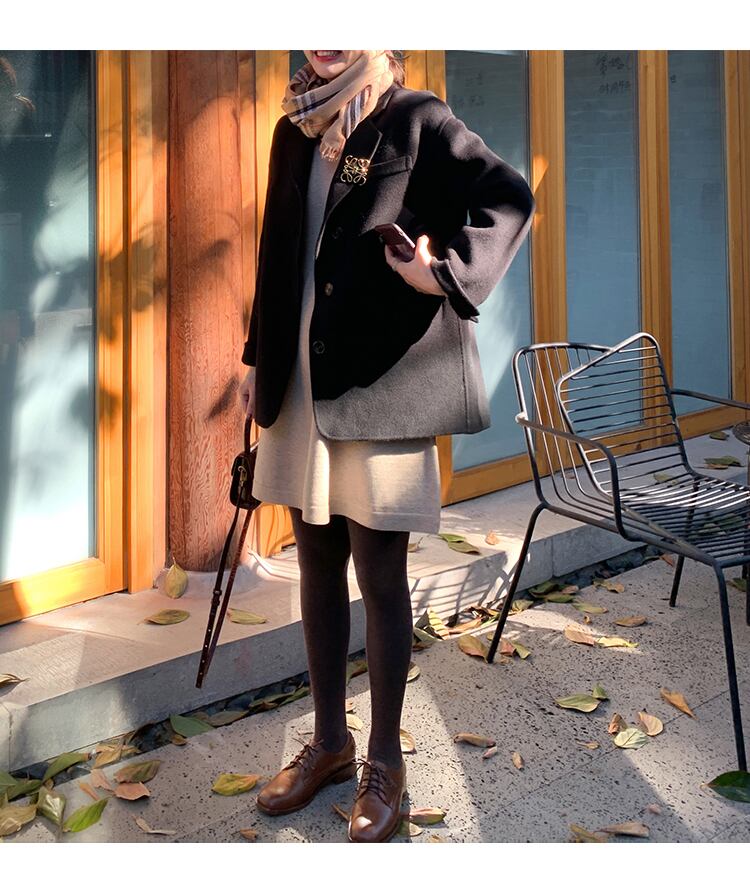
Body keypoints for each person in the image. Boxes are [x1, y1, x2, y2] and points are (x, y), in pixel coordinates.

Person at [239, 49, 535, 843]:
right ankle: (329, 743)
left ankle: (384, 764)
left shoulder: (415, 118)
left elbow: (507, 195)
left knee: (379, 574)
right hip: (301, 384)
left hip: (382, 384)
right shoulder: (293, 131)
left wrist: (444, 272)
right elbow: (276, 252)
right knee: (316, 564)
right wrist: (256, 361)